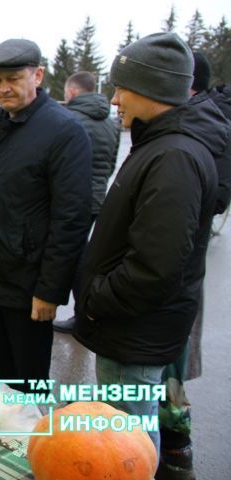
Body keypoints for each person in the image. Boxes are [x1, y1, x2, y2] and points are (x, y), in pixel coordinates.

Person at [73, 33, 229, 459]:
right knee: (126, 435)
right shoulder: (162, 143)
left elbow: (156, 266)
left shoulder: (174, 156)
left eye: (122, 87)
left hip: (133, 332)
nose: (116, 98)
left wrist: (97, 300)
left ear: (152, 89)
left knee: (129, 444)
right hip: (132, 329)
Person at [0, 39, 92, 393]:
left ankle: (30, 446)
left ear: (38, 75)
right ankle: (10, 442)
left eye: (13, 78)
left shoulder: (64, 131)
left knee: (29, 381)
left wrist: (50, 290)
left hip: (30, 282)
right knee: (2, 372)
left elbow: (71, 219)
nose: (3, 88)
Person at [155, 51, 231, 480]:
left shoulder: (203, 131)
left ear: (187, 86)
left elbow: (214, 198)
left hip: (177, 275)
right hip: (179, 273)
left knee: (170, 367)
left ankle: (176, 450)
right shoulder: (199, 124)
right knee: (168, 367)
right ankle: (172, 448)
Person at [53, 71, 120, 334]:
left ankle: (83, 314)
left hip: (69, 201)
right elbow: (111, 163)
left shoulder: (69, 120)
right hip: (96, 199)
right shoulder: (111, 123)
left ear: (72, 92)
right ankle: (84, 311)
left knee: (73, 258)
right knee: (85, 255)